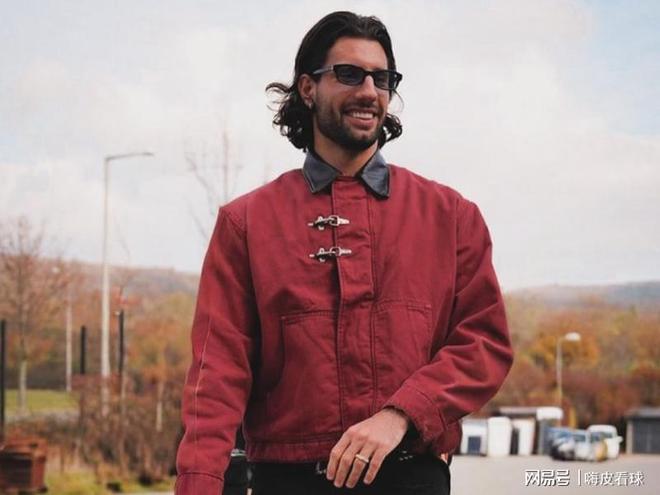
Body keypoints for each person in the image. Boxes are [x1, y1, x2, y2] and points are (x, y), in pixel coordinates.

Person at [175, 11, 514, 495]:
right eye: (350, 74)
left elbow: (483, 344)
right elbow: (216, 376)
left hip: (410, 478)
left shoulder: (451, 216)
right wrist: (199, 485)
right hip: (287, 483)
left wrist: (402, 415)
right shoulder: (246, 223)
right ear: (307, 88)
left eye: (383, 79)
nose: (369, 91)